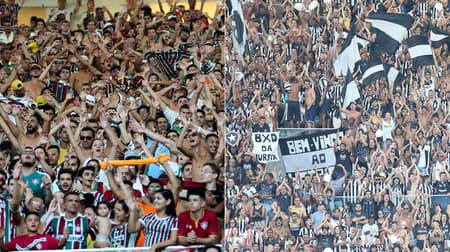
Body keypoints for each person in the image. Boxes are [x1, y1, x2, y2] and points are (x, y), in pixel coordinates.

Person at [0, 212, 69, 251]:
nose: (33, 222)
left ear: (39, 224)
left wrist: (65, 238)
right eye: (30, 220)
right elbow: (4, 249)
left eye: (36, 220)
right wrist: (0, 239)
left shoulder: (46, 238)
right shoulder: (17, 240)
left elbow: (59, 245)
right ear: (25, 224)